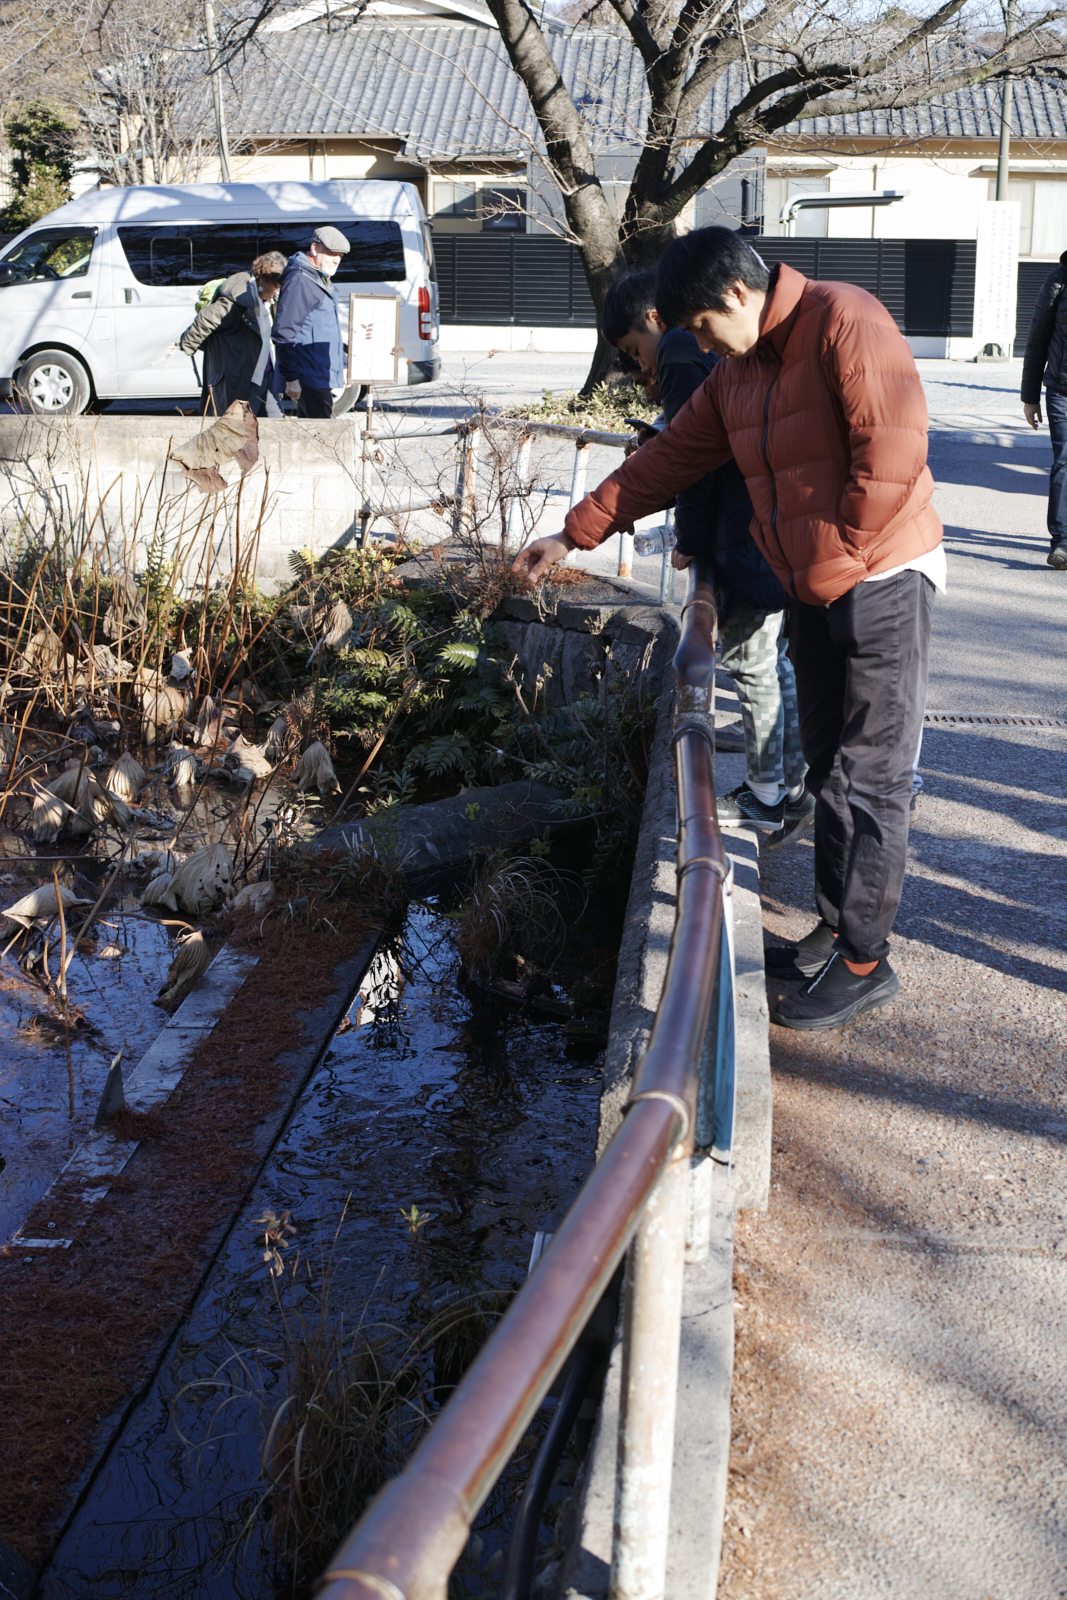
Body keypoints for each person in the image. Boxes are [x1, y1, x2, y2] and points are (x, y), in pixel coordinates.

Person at [514, 228, 945, 1032]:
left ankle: (864, 959)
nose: (702, 349)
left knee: (869, 773)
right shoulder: (738, 372)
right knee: (827, 764)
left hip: (881, 578)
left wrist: (841, 557)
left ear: (736, 297)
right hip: (815, 586)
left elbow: (889, 455)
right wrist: (573, 532)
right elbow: (667, 459)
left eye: (704, 331)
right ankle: (832, 928)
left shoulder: (845, 319)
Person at [602, 270, 814, 849]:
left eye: (632, 350)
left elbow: (690, 460)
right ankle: (789, 786)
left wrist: (690, 540)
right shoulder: (705, 350)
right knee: (775, 662)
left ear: (652, 319)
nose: (640, 362)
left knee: (751, 663)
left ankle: (769, 793)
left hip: (738, 536)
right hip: (762, 526)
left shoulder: (675, 347)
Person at [178, 251, 287, 417]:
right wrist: (187, 344)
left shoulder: (268, 300)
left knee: (275, 424)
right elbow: (206, 319)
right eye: (277, 287)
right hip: (247, 376)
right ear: (264, 279)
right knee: (243, 431)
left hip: (267, 374)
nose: (278, 292)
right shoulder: (238, 298)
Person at [1020, 248, 1067, 570]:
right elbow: (1037, 340)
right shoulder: (1059, 280)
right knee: (1064, 461)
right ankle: (1062, 542)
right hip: (1062, 390)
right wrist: (1030, 396)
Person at [273, 225, 350, 419]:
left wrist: (343, 363)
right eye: (332, 253)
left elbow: (328, 329)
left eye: (340, 255)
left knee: (317, 436)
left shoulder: (321, 279)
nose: (336, 259)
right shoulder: (300, 279)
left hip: (320, 375)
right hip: (308, 376)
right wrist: (292, 378)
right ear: (315, 249)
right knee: (323, 437)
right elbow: (283, 333)